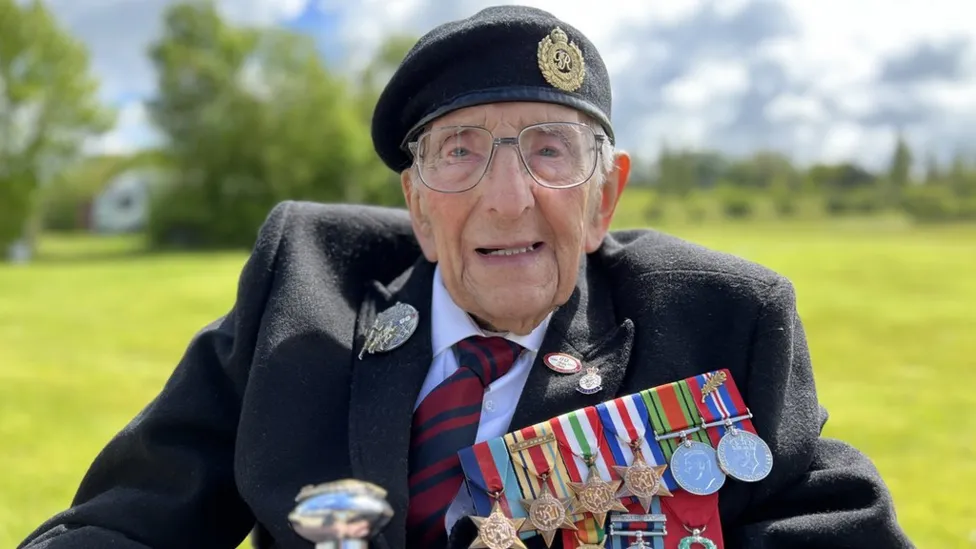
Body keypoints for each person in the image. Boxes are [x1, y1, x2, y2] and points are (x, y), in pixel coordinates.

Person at [19, 5, 913, 549]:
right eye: (461, 151)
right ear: (415, 200)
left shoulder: (720, 321)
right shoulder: (303, 292)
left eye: (550, 151)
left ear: (606, 196)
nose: (509, 198)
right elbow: (129, 521)